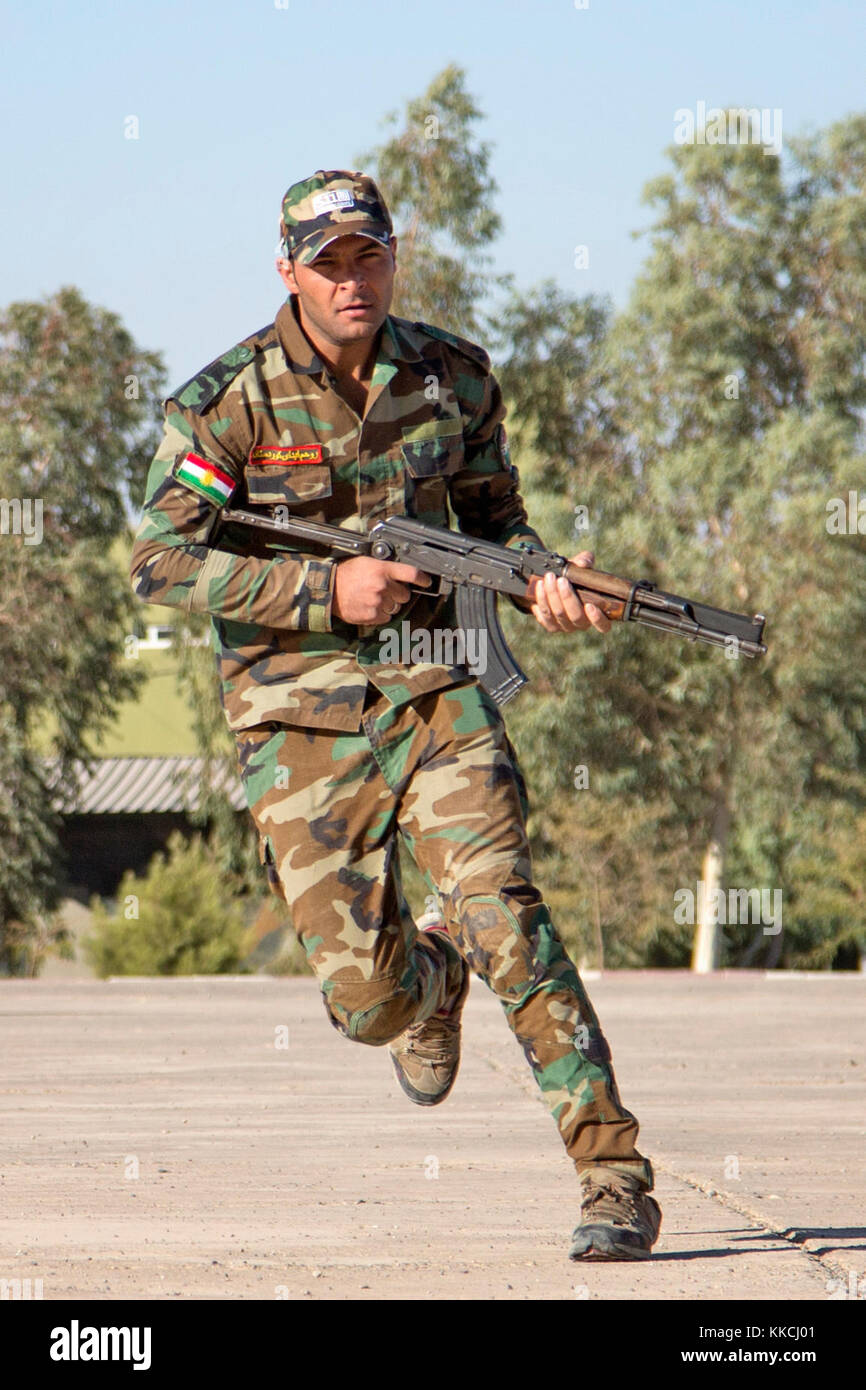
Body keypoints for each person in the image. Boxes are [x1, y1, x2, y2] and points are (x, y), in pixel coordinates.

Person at [130, 169, 662, 1260]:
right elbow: (157, 562)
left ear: (391, 257)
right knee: (366, 1004)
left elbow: (495, 524)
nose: (350, 280)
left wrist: (547, 581)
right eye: (325, 264)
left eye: (365, 256)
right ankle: (429, 976)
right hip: (297, 718)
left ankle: (611, 1176)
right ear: (288, 274)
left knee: (504, 908)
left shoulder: (452, 376)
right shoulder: (222, 402)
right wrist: (325, 591)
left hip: (436, 684)